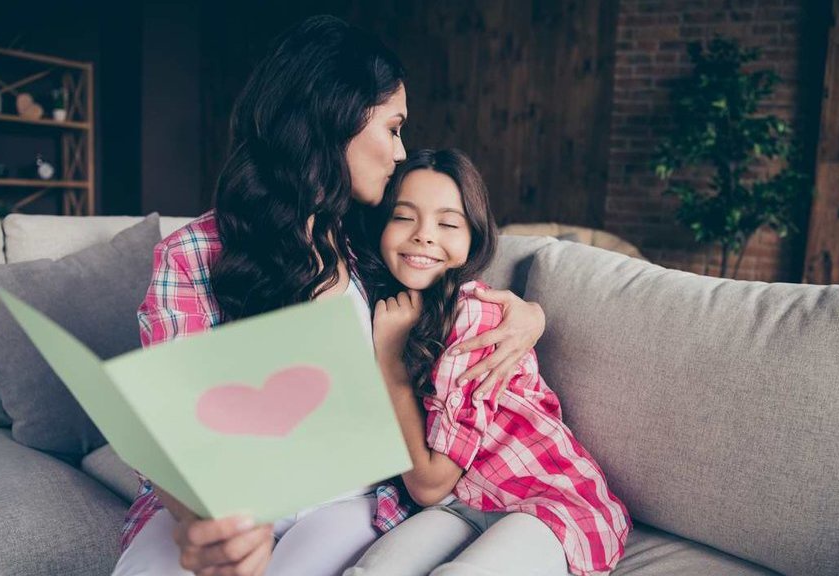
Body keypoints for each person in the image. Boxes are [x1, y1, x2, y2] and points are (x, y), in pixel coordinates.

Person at [112, 17, 546, 576]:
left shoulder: (374, 235)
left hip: (348, 499)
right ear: (335, 117)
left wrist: (531, 315)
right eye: (393, 128)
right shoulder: (194, 253)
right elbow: (167, 424)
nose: (399, 151)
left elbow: (462, 281)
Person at [346, 149, 631, 576]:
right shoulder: (379, 304)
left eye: (447, 223)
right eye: (404, 217)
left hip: (546, 502)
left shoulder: (474, 314)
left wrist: (390, 362)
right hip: (464, 503)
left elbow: (427, 483)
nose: (424, 235)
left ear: (473, 239)